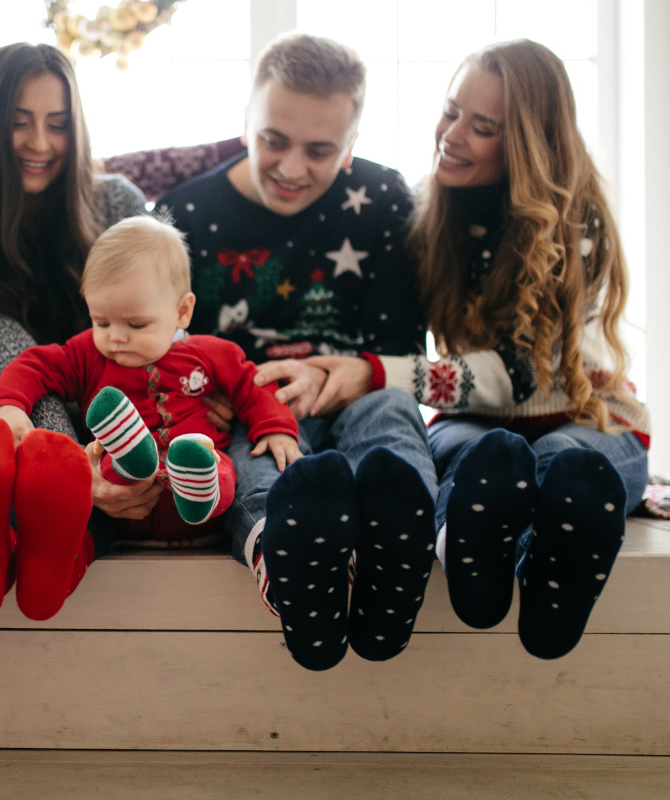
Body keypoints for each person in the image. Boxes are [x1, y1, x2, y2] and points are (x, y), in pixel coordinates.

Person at [319, 39, 649, 659]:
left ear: (526, 143)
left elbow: (519, 377)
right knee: (479, 455)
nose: (452, 134)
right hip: (475, 426)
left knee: (568, 461)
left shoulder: (574, 225)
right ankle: (465, 542)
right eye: (451, 111)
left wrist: (373, 374)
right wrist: (252, 142)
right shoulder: (429, 214)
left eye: (483, 127)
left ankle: (547, 578)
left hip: (584, 415)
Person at [0, 43, 251, 619]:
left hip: (122, 408)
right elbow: (14, 359)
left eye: (58, 124)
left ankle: (20, 552)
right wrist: (78, 464)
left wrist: (199, 388)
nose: (41, 143)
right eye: (19, 124)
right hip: (27, 404)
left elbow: (163, 315)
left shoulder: (115, 201)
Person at [157, 33, 438, 672]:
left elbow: (398, 347)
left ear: (351, 148)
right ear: (245, 123)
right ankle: (278, 548)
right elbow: (159, 352)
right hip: (246, 412)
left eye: (320, 150)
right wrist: (215, 392)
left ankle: (402, 537)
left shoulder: (385, 200)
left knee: (391, 418)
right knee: (250, 467)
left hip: (353, 392)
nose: (290, 167)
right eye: (273, 140)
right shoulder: (185, 217)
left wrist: (327, 377)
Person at [0, 216, 301, 620]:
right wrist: (10, 407)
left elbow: (255, 386)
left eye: (136, 324)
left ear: (182, 311)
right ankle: (47, 573)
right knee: (83, 512)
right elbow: (34, 364)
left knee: (219, 466)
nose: (114, 337)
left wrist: (278, 429)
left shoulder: (211, 353)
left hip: (200, 503)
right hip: (117, 503)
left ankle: (195, 483)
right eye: (101, 321)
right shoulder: (89, 355)